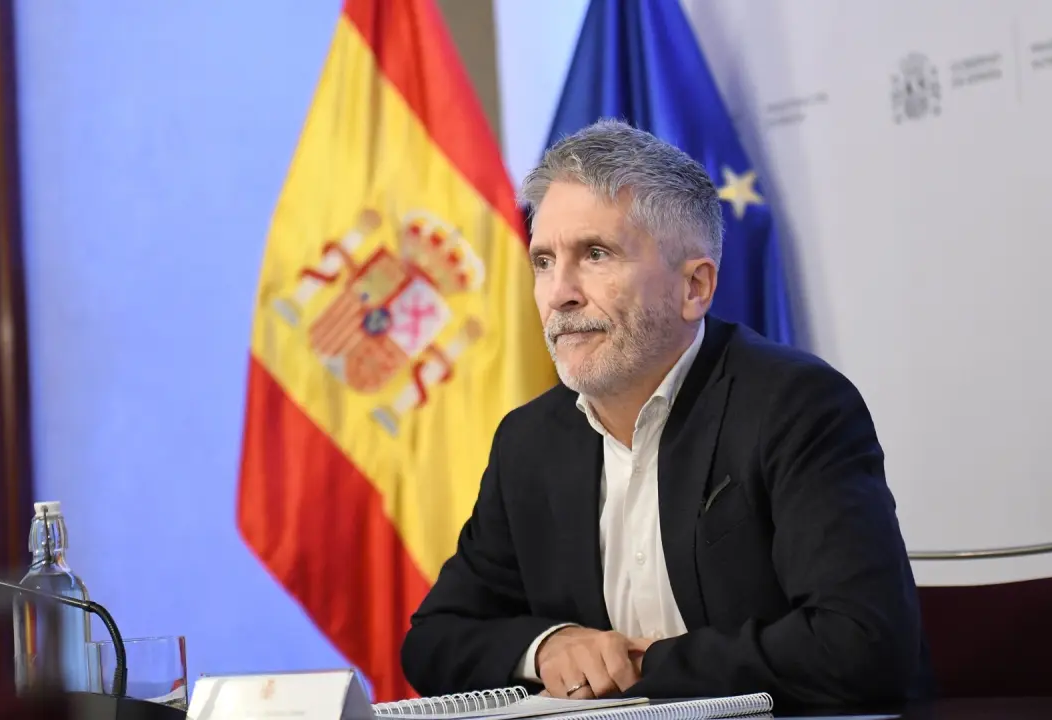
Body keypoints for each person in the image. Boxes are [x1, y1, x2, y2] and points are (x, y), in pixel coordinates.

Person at [399, 119, 932, 708]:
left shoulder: (795, 406)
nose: (559, 293)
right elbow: (434, 641)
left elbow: (862, 644)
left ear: (694, 287)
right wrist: (548, 647)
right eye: (544, 261)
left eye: (595, 254)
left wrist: (644, 665)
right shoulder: (529, 442)